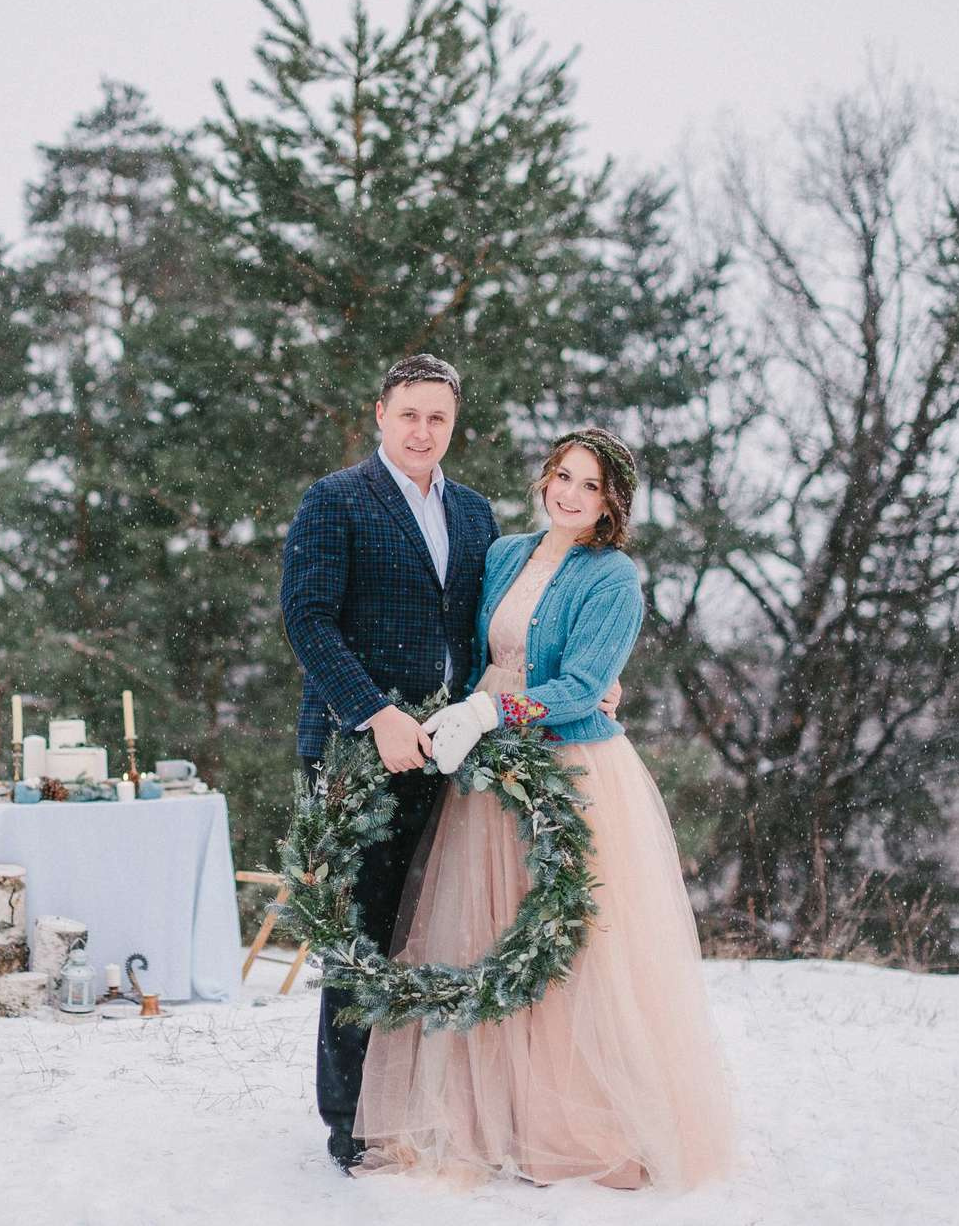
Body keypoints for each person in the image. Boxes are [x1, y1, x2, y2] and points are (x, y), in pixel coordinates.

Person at [351, 427, 736, 1190]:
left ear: (612, 502)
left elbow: (583, 688)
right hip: (489, 772)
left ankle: (570, 1121)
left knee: (567, 949)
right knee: (486, 932)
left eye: (590, 485)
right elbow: (475, 653)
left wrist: (497, 710)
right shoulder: (504, 555)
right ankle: (491, 1113)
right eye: (563, 476)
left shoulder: (614, 577)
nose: (570, 494)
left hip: (568, 771)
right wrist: (461, 710)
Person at [280, 354, 499, 1172]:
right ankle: (350, 1120)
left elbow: (489, 623)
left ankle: (418, 1100)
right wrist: (376, 714)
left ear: (454, 423)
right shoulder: (336, 499)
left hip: (446, 752)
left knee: (431, 928)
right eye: (409, 413)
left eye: (438, 417)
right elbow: (307, 618)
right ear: (381, 413)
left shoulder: (474, 513)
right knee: (360, 936)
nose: (422, 430)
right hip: (354, 751)